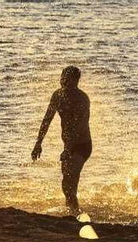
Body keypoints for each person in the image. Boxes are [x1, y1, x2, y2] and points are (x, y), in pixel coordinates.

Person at [31, 66, 91, 216]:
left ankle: (76, 213)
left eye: (67, 80)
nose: (63, 82)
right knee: (66, 184)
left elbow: (78, 128)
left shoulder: (82, 99)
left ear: (76, 81)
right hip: (68, 145)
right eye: (62, 78)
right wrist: (38, 143)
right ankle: (73, 211)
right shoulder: (58, 96)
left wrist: (67, 150)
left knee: (70, 182)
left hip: (82, 146)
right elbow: (47, 119)